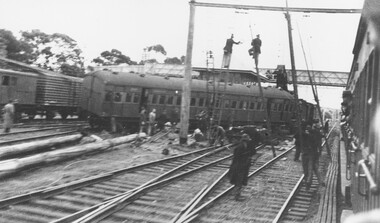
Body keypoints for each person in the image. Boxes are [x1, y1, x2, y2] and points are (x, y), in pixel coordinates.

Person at [228, 134, 256, 201]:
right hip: (240, 166)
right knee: (239, 180)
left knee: (239, 180)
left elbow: (253, 152)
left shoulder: (245, 145)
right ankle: (237, 196)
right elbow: (238, 157)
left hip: (241, 165)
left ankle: (237, 194)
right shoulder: (241, 146)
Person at [304, 124, 325, 189]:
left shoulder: (309, 136)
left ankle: (308, 182)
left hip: (311, 154)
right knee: (316, 168)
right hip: (316, 153)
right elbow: (322, 137)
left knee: (310, 169)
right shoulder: (317, 134)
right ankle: (321, 181)